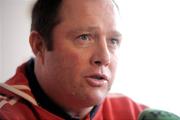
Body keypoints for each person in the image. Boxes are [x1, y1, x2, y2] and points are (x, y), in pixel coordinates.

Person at [0, 0, 147, 119]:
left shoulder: (137, 115)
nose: (104, 57)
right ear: (39, 45)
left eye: (113, 41)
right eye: (84, 37)